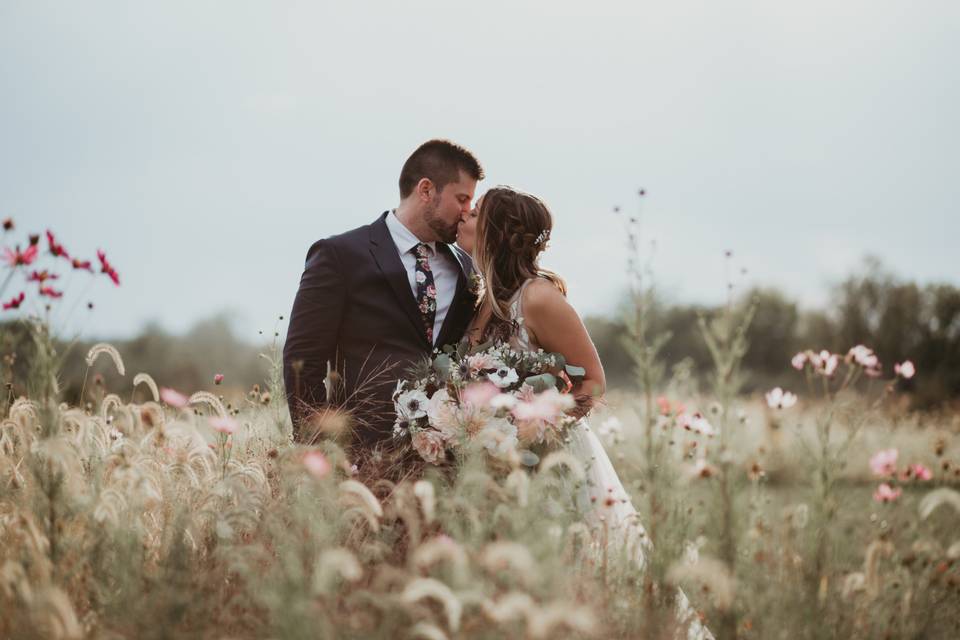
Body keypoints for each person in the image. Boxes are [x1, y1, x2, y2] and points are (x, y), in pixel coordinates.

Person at [456, 186, 714, 640]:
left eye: (476, 212)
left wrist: (530, 425)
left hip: (547, 466)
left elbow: (593, 381)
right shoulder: (483, 300)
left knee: (570, 584)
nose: (464, 216)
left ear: (494, 232)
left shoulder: (536, 299)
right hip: (491, 470)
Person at [283, 139, 483, 474]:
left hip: (445, 460)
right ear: (425, 190)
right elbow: (303, 361)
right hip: (361, 456)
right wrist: (320, 452)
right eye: (462, 199)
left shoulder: (465, 268)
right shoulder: (340, 255)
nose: (467, 211)